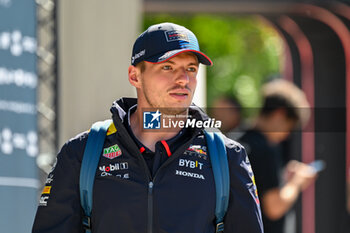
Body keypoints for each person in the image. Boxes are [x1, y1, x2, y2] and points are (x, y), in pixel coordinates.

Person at [32, 22, 263, 233]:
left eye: (191, 69)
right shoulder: (81, 153)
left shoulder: (227, 156)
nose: (183, 79)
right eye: (168, 67)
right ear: (135, 76)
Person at [238, 79, 317, 233]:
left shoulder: (236, 140)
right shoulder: (265, 149)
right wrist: (297, 182)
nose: (287, 135)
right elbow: (274, 207)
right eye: (289, 127)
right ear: (279, 114)